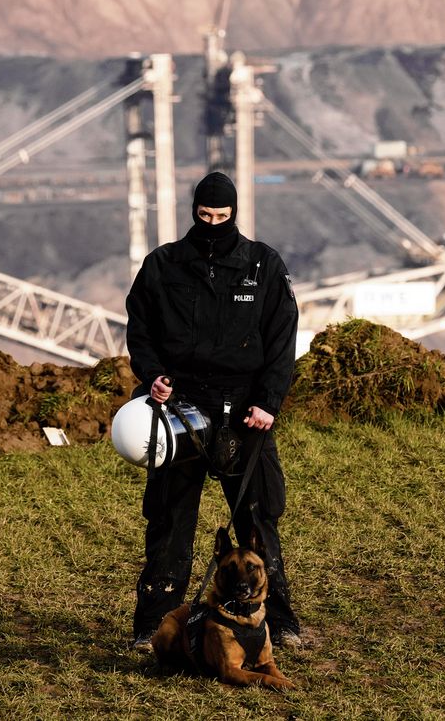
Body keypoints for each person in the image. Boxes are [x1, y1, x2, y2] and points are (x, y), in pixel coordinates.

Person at [124, 171, 303, 652]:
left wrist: (269, 402)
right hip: (181, 410)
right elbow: (140, 330)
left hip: (246, 413)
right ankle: (154, 626)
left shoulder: (264, 266)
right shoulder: (162, 266)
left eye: (222, 218)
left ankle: (278, 623)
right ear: (193, 212)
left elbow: (283, 341)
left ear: (235, 214)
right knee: (169, 521)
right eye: (205, 216)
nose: (213, 225)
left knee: (258, 520)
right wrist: (153, 373)